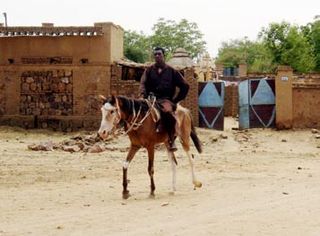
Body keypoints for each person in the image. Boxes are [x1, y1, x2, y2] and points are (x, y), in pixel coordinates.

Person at [139, 47, 189, 151]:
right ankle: (139, 136)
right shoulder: (148, 70)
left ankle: (171, 140)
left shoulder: (172, 71)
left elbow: (185, 86)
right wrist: (143, 94)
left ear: (163, 56)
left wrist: (175, 100)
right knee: (138, 110)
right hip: (151, 99)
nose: (157, 56)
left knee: (167, 112)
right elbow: (143, 83)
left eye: (159, 54)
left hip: (166, 100)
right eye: (155, 54)